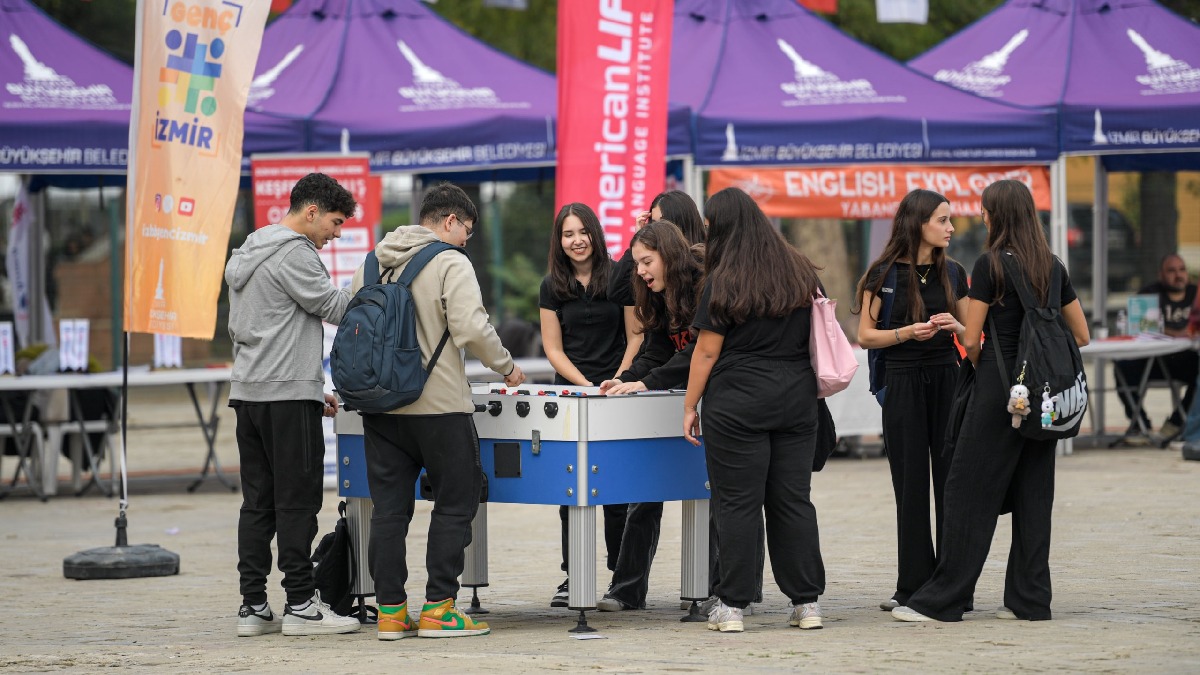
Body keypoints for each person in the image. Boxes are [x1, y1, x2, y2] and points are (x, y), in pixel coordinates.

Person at [893, 179, 1089, 623]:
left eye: (984, 210)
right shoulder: (1053, 266)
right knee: (1034, 494)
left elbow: (973, 336)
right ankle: (1030, 600)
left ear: (997, 216)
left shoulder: (990, 265)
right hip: (1044, 399)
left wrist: (971, 345)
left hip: (999, 394)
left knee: (965, 490)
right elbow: (1082, 334)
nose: (980, 216)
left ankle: (941, 601)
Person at [350, 183, 526, 640]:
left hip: (380, 407)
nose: (467, 238)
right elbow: (471, 327)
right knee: (454, 503)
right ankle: (439, 610)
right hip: (440, 407)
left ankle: (390, 612)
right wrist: (506, 366)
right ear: (450, 221)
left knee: (388, 511)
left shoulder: (371, 263)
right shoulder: (450, 262)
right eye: (466, 229)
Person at [682, 187, 826, 634]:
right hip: (797, 399)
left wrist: (689, 406)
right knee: (792, 501)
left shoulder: (723, 279)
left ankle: (733, 605)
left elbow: (705, 353)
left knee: (738, 503)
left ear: (722, 228)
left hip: (738, 401)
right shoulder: (802, 272)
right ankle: (806, 603)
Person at [225, 172, 361, 637]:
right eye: (335, 222)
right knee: (298, 502)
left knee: (257, 504)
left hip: (249, 394)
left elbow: (259, 326)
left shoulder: (250, 250)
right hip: (285, 397)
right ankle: (302, 604)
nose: (336, 233)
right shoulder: (295, 252)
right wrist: (373, 274)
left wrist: (308, 386)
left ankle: (253, 606)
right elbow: (337, 308)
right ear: (311, 212)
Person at [854, 189, 969, 612]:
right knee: (910, 485)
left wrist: (954, 324)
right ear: (918, 223)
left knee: (950, 483)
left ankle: (954, 585)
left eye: (950, 219)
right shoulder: (881, 274)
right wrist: (906, 333)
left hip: (946, 379)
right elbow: (865, 336)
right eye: (942, 220)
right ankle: (912, 585)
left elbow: (971, 331)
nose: (951, 227)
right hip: (901, 381)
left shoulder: (954, 272)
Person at [595, 220, 702, 612]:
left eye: (646, 261)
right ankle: (627, 590)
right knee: (644, 492)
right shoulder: (656, 294)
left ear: (669, 255)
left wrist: (646, 382)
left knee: (715, 500)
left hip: (719, 402)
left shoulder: (705, 283)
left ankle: (724, 589)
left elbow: (697, 353)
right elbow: (656, 350)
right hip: (671, 404)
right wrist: (624, 379)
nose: (639, 271)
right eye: (637, 262)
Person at [539, 203, 629, 608]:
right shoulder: (551, 286)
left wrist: (619, 380)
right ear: (559, 241)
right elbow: (553, 349)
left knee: (616, 490)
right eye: (567, 234)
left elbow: (638, 336)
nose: (576, 241)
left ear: (595, 233)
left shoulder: (621, 278)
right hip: (572, 396)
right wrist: (585, 385)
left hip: (619, 392)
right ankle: (572, 576)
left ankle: (619, 578)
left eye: (582, 232)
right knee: (570, 489)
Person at [609, 191, 706, 375]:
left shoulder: (705, 273)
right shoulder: (656, 283)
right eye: (651, 223)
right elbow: (618, 292)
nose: (640, 271)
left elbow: (702, 349)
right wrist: (640, 241)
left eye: (661, 223)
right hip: (669, 372)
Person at [1114, 253, 1197, 444]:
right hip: (1153, 360)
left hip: (1186, 359)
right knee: (1122, 368)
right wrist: (1175, 332)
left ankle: (1177, 423)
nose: (1178, 275)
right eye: (1171, 270)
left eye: (1182, 269)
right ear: (1161, 275)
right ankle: (1139, 424)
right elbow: (1137, 325)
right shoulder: (1149, 295)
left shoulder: (1196, 294)